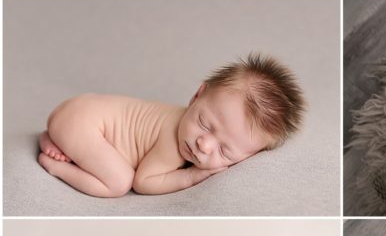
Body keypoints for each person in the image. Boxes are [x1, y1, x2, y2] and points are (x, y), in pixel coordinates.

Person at [38, 53, 305, 197]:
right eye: (204, 123)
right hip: (83, 122)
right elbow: (143, 182)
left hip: (76, 111)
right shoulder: (173, 142)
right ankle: (56, 165)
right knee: (119, 182)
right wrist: (188, 177)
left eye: (224, 152)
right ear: (197, 95)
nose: (203, 144)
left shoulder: (192, 130)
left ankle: (58, 139)